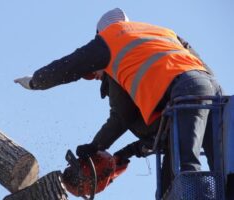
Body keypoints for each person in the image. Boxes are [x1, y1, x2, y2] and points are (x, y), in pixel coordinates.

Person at [14, 8, 223, 197]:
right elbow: (203, 72)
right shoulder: (160, 33)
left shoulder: (110, 40)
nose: (95, 77)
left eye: (92, 72)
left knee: (185, 168)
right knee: (215, 173)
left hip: (184, 93)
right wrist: (126, 152)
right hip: (211, 93)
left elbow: (71, 67)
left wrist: (35, 81)